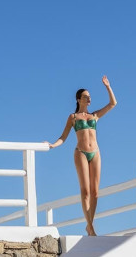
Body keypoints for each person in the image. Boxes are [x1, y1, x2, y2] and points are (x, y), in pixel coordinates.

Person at [46, 75, 117, 236]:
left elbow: (113, 103)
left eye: (90, 97)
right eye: (85, 97)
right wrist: (52, 145)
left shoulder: (95, 116)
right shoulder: (73, 117)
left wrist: (108, 87)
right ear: (78, 99)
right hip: (81, 153)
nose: (89, 99)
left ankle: (89, 225)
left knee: (95, 192)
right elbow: (63, 137)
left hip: (95, 152)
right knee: (85, 191)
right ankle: (90, 227)